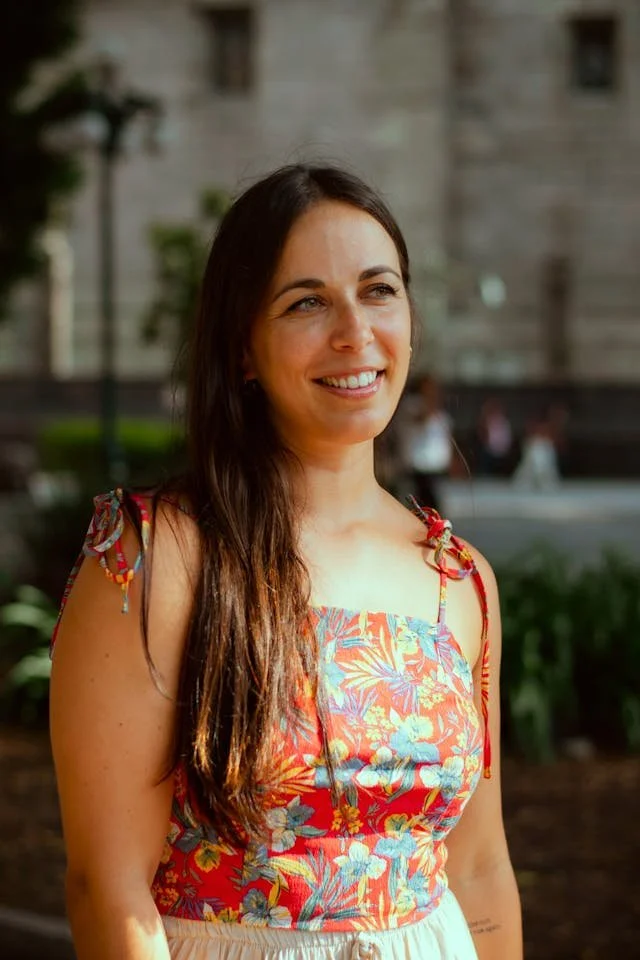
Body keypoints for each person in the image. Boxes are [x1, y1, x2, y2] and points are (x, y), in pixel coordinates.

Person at [49, 164, 522, 960]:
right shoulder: (158, 555)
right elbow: (107, 883)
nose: (355, 333)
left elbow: (476, 868)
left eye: (379, 291)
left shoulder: (458, 578)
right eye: (307, 302)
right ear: (243, 348)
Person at [398, 374, 454, 515]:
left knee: (436, 508)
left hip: (436, 467)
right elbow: (421, 419)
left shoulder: (440, 411)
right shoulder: (412, 406)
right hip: (419, 467)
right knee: (420, 508)